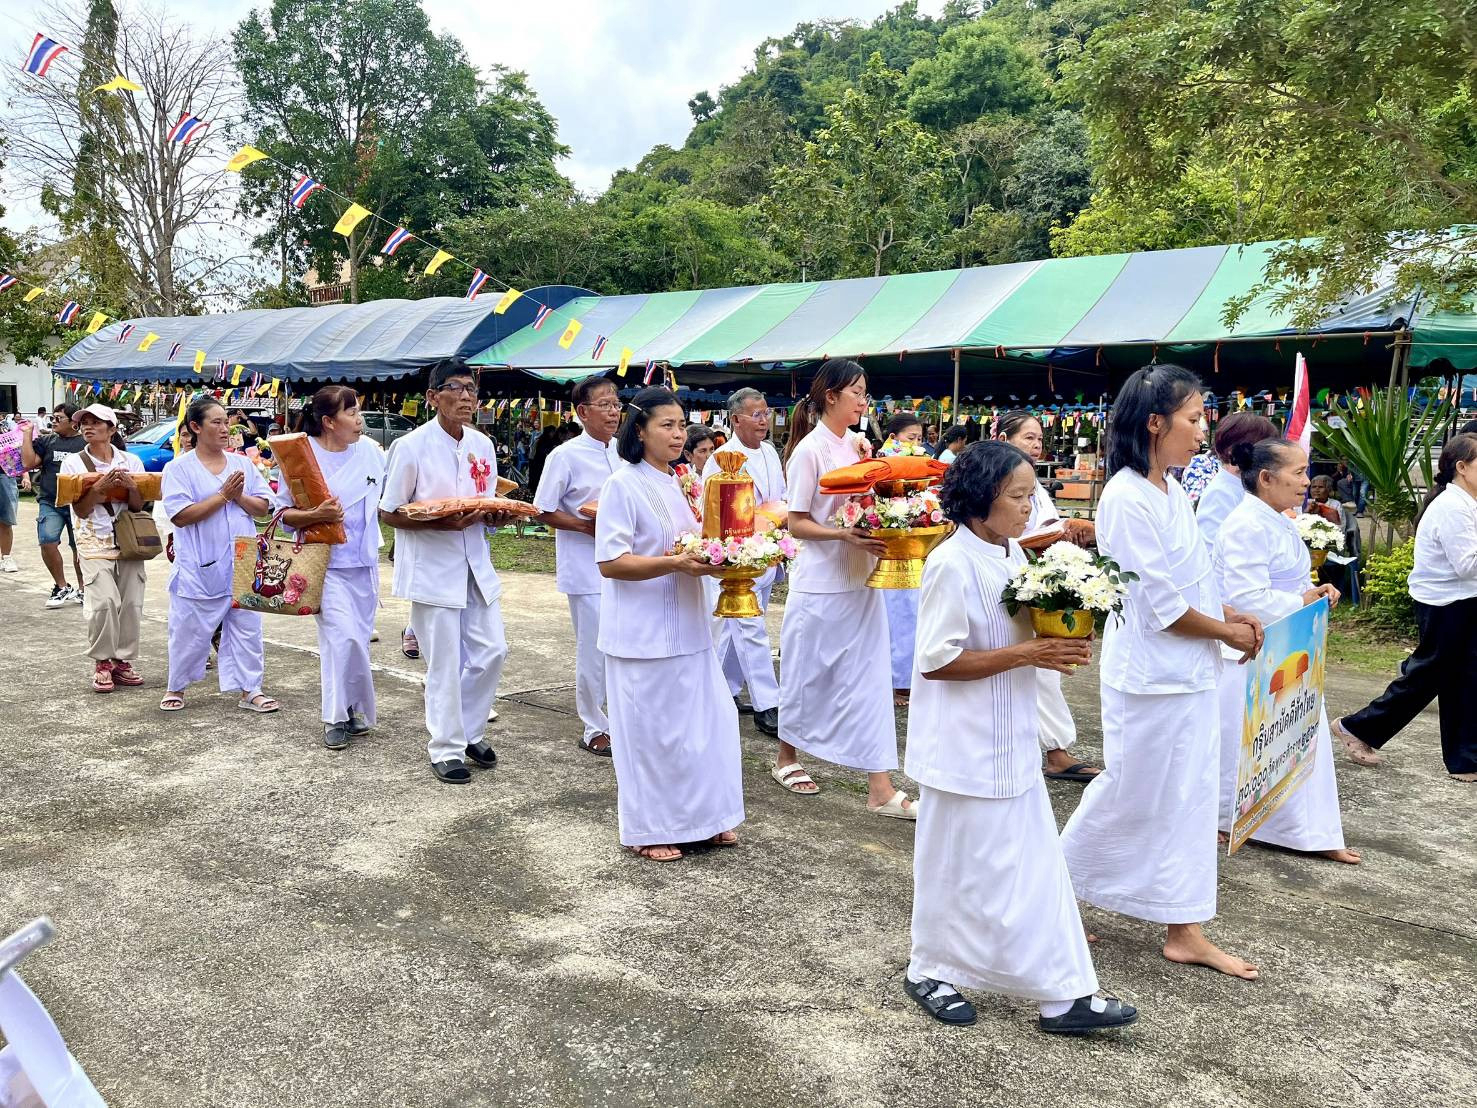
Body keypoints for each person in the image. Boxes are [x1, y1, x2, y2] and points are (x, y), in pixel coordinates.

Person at [904, 440, 1137, 1035]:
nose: (1029, 507)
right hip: (961, 744)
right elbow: (936, 661)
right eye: (1017, 496)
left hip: (1011, 740)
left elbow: (1020, 637)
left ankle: (1064, 994)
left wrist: (1057, 641)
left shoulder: (1011, 556)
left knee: (1034, 868)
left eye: (1032, 494)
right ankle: (930, 968)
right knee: (954, 864)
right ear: (979, 500)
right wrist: (1029, 651)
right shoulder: (951, 562)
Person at [1059, 364, 1265, 980]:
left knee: (1189, 800)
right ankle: (1053, 888)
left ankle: (1184, 927)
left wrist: (1231, 614)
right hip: (1152, 678)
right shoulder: (1126, 496)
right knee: (1131, 790)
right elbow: (1162, 607)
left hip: (1191, 674)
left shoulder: (1172, 489)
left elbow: (1192, 580)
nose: (1204, 432)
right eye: (1195, 419)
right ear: (1155, 423)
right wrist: (1228, 631)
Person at [595, 386, 745, 861]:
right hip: (640, 632)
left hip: (689, 624)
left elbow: (701, 541)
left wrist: (727, 558)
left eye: (682, 425)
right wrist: (674, 564)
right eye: (667, 425)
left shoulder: (684, 481)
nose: (679, 434)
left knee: (706, 726)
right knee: (651, 735)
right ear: (639, 431)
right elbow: (611, 562)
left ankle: (708, 819)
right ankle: (649, 828)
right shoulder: (623, 483)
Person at [776, 358, 916, 817]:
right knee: (808, 672)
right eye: (856, 391)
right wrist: (840, 533)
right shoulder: (809, 452)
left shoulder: (858, 446)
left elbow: (870, 500)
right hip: (821, 582)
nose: (863, 400)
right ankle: (786, 757)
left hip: (863, 578)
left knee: (869, 679)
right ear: (831, 396)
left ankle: (880, 786)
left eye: (865, 391)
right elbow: (796, 523)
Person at [1213, 438, 1359, 862]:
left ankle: (1303, 831)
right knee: (1258, 744)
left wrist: (1309, 592)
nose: (1305, 481)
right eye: (1297, 473)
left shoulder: (1275, 519)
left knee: (1295, 736)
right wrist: (1301, 601)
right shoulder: (1246, 523)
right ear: (1265, 478)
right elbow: (1246, 595)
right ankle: (1236, 821)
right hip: (1256, 648)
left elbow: (1281, 584)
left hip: (1286, 641)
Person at [380, 362, 520, 785]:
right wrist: (440, 522)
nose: (465, 397)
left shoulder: (482, 444)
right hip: (433, 568)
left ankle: (470, 730)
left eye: (471, 390)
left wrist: (492, 516)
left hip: (476, 563)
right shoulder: (411, 446)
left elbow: (486, 500)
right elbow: (389, 511)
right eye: (454, 389)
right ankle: (445, 747)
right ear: (432, 397)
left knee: (492, 651)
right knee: (444, 661)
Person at [1332, 433, 1477, 782]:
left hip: (1462, 600)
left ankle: (1465, 759)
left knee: (1464, 678)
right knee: (1427, 678)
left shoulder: (1467, 502)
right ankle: (1356, 728)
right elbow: (1467, 564)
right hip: (1447, 603)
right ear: (1461, 467)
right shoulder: (1452, 507)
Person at [992, 409, 1103, 784]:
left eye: (1040, 439)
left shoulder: (1034, 483)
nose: (1037, 445)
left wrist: (1066, 535)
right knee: (1032, 666)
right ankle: (1055, 752)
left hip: (1032, 575)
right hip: (1007, 575)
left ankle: (1054, 749)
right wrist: (1053, 535)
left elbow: (1044, 524)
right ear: (1004, 439)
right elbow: (1002, 533)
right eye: (1028, 438)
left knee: (1041, 670)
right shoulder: (990, 478)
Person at [274, 387, 386, 750]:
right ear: (328, 421)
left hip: (364, 562)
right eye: (351, 413)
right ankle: (335, 716)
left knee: (358, 642)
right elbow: (281, 514)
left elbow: (391, 497)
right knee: (341, 639)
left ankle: (351, 709)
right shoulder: (299, 454)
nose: (359, 419)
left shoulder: (370, 451)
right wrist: (315, 516)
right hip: (325, 563)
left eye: (358, 411)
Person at [159, 398, 277, 714]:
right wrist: (223, 496)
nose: (225, 428)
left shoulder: (242, 465)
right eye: (216, 422)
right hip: (199, 563)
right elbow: (181, 515)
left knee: (247, 626)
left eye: (226, 421)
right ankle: (177, 686)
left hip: (242, 559)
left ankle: (250, 689)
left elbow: (264, 507)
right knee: (188, 628)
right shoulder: (178, 469)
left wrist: (238, 496)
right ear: (195, 427)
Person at [533, 376, 621, 757]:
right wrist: (584, 525)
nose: (614, 411)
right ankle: (594, 725)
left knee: (622, 644)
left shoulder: (625, 452)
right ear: (583, 412)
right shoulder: (565, 456)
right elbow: (543, 509)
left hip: (623, 563)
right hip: (584, 566)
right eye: (604, 404)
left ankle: (622, 718)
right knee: (594, 647)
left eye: (617, 403)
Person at [700, 388, 785, 734]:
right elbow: (713, 513)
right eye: (755, 414)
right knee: (751, 631)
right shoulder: (720, 458)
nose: (763, 420)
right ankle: (769, 703)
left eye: (766, 413)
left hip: (766, 552)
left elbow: (779, 500)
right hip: (735, 560)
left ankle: (723, 689)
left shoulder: (769, 452)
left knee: (742, 630)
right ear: (736, 419)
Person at [59, 405, 149, 693]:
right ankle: (102, 661)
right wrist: (99, 489)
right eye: (84, 422)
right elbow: (81, 511)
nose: (88, 427)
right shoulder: (73, 463)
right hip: (92, 539)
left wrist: (130, 486)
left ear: (111, 429)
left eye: (96, 422)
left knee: (132, 601)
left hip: (128, 539)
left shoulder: (131, 460)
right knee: (104, 601)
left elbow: (138, 506)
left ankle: (122, 661)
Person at [878, 412, 926, 707]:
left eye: (920, 439)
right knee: (893, 616)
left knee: (913, 614)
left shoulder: (918, 462)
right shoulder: (882, 462)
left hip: (915, 546)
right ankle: (895, 681)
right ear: (893, 438)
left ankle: (909, 679)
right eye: (911, 438)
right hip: (889, 547)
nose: (917, 444)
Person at [19, 405, 86, 607]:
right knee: (47, 541)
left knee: (80, 548)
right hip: (50, 501)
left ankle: (84, 589)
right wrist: (27, 435)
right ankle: (61, 586)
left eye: (59, 418)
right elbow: (28, 463)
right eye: (53, 417)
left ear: (74, 422)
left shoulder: (85, 443)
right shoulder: (47, 441)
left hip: (78, 503)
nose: (54, 421)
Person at [1193, 413, 1280, 554]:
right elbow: (1210, 550)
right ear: (1232, 449)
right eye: (1262, 449)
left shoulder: (1246, 485)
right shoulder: (1220, 493)